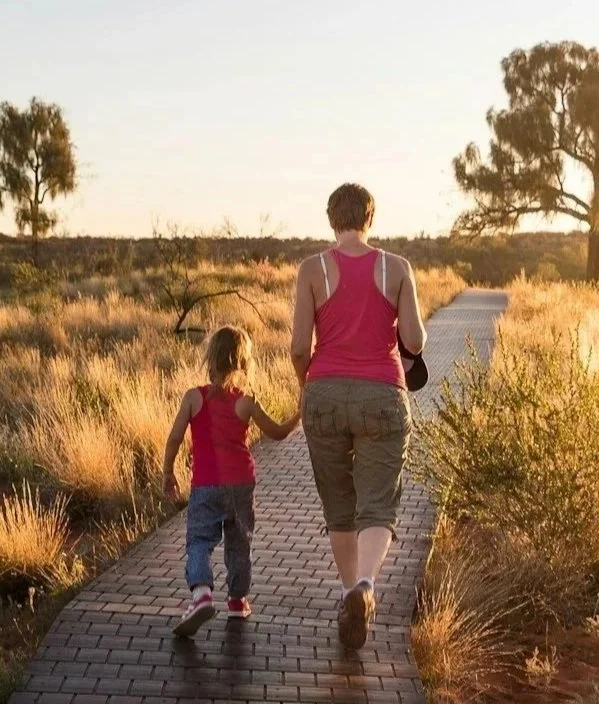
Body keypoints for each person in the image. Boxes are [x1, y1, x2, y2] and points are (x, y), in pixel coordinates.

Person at [290, 183, 424, 649]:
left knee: (338, 503)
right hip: (382, 394)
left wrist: (308, 386)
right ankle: (366, 586)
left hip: (324, 390)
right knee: (378, 503)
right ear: (371, 217)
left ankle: (348, 590)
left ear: (331, 218)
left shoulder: (311, 269)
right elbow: (416, 339)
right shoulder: (397, 268)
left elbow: (297, 347)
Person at [159, 325, 299, 638]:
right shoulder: (246, 402)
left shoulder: (194, 397)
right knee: (239, 541)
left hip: (206, 484)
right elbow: (277, 433)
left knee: (199, 540)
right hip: (241, 483)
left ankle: (202, 594)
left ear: (210, 358)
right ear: (242, 363)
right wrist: (298, 415)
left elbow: (174, 437)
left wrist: (168, 471)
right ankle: (237, 600)